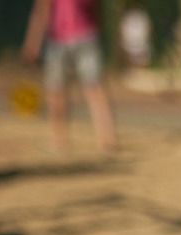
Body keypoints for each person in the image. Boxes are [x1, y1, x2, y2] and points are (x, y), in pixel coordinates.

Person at [21, 0, 118, 155]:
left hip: (71, 38)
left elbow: (41, 11)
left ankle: (63, 141)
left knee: (66, 92)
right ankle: (104, 139)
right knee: (80, 91)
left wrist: (33, 43)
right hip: (75, 38)